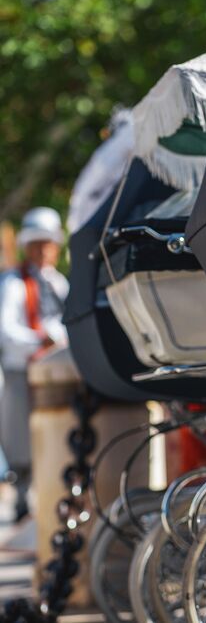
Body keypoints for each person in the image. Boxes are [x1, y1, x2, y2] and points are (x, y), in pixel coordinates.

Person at [0, 207, 69, 521]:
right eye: (37, 244)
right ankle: (22, 496)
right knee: (20, 438)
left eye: (47, 243)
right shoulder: (13, 282)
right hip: (22, 371)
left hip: (58, 371)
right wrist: (40, 340)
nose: (43, 250)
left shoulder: (58, 283)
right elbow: (7, 330)